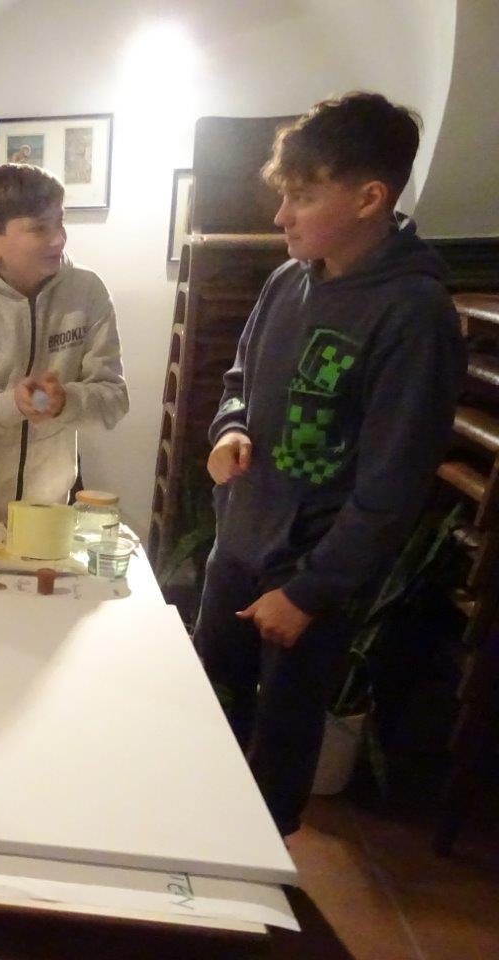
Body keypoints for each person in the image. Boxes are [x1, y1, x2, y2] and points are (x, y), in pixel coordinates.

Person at [194, 92, 466, 835]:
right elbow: (238, 380)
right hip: (240, 544)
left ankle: (264, 869)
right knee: (208, 705)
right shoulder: (287, 281)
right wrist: (230, 427)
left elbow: (393, 488)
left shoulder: (414, 313)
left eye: (304, 197)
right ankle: (198, 845)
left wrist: (309, 592)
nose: (281, 216)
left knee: (281, 740)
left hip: (310, 575)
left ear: (371, 198)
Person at [0, 162, 128, 526]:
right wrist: (12, 404)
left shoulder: (87, 292)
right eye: (39, 228)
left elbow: (114, 398)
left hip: (49, 512)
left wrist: (67, 401)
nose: (58, 239)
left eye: (60, 222)